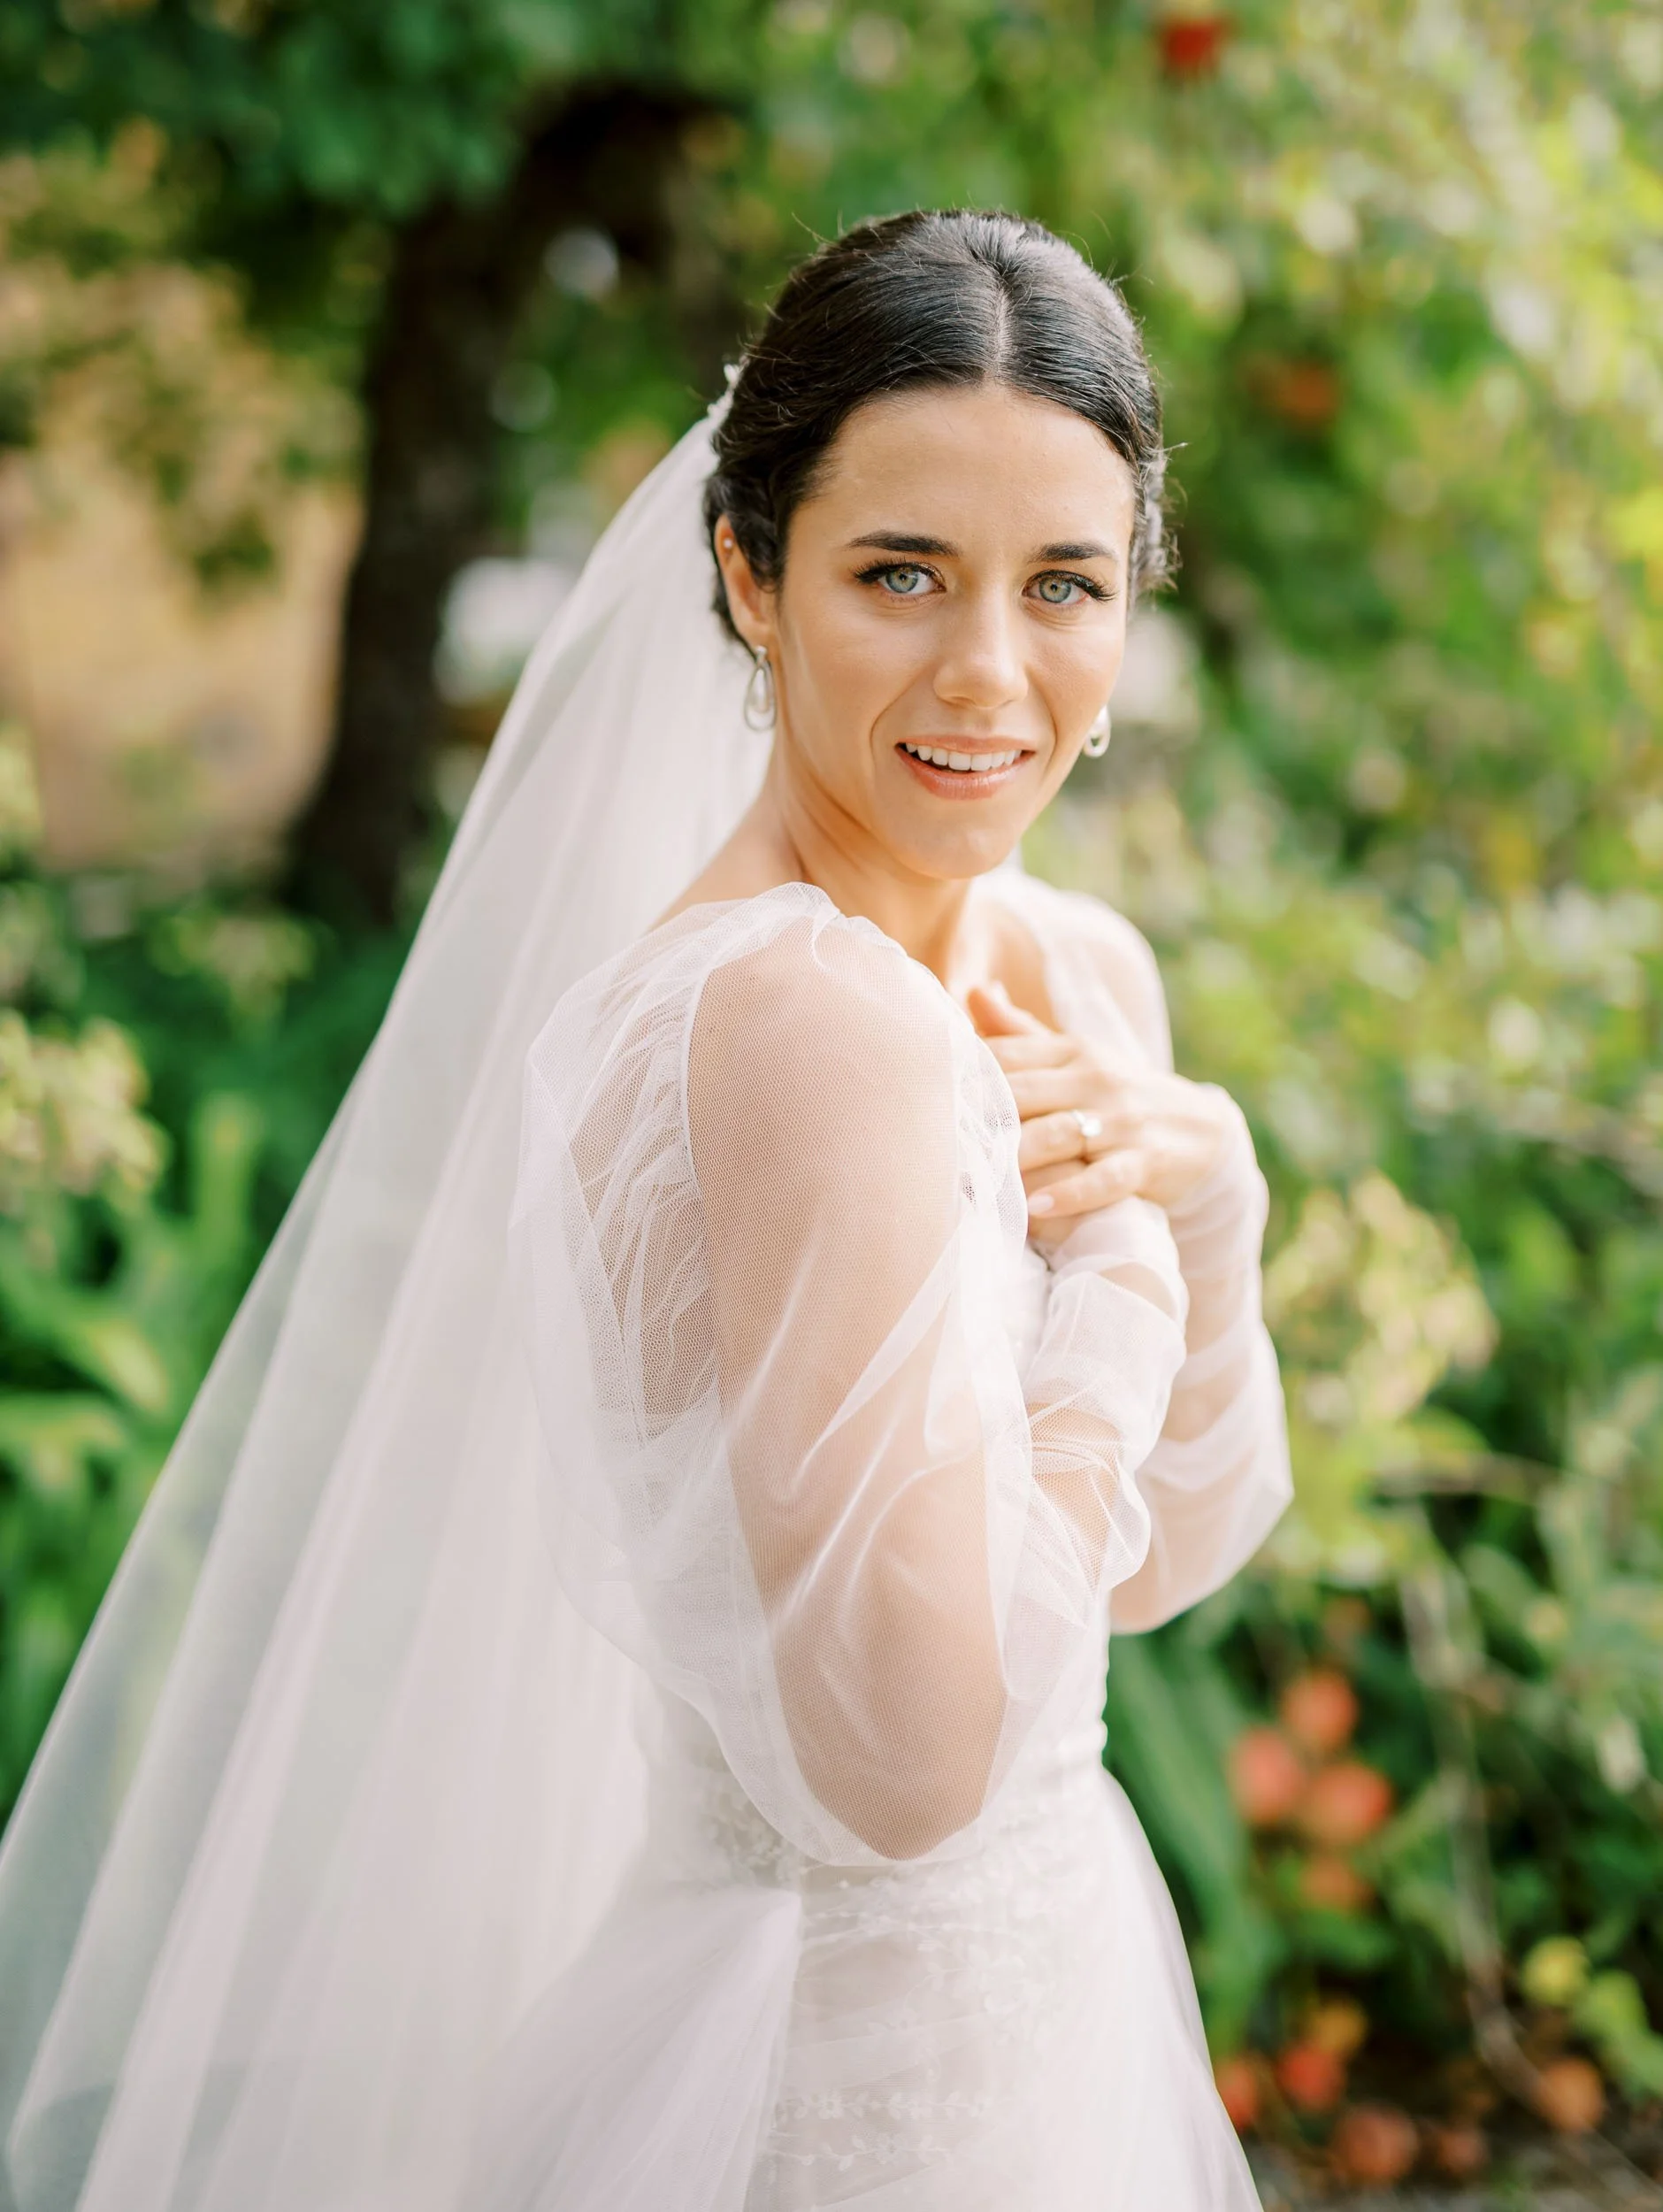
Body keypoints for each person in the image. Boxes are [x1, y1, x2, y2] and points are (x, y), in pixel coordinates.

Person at [0, 211, 1289, 2212]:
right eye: (898, 574)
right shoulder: (795, 1023)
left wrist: (1212, 1210)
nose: (989, 670)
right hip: (834, 2079)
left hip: (1054, 1999)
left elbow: (1145, 1570)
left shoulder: (1080, 973)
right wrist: (1123, 1268)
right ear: (746, 575)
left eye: (1065, 585)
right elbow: (902, 1772)